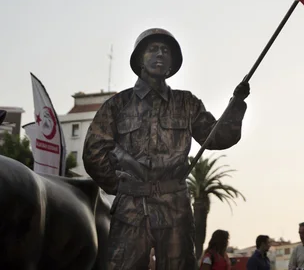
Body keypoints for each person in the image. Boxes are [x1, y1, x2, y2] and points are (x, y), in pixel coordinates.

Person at [83, 28, 250, 270]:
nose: (160, 54)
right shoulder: (117, 105)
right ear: (140, 59)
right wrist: (120, 187)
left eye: (165, 50)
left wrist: (236, 105)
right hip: (131, 208)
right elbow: (93, 152)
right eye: (153, 49)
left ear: (172, 63)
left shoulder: (186, 103)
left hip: (175, 207)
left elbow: (217, 137)